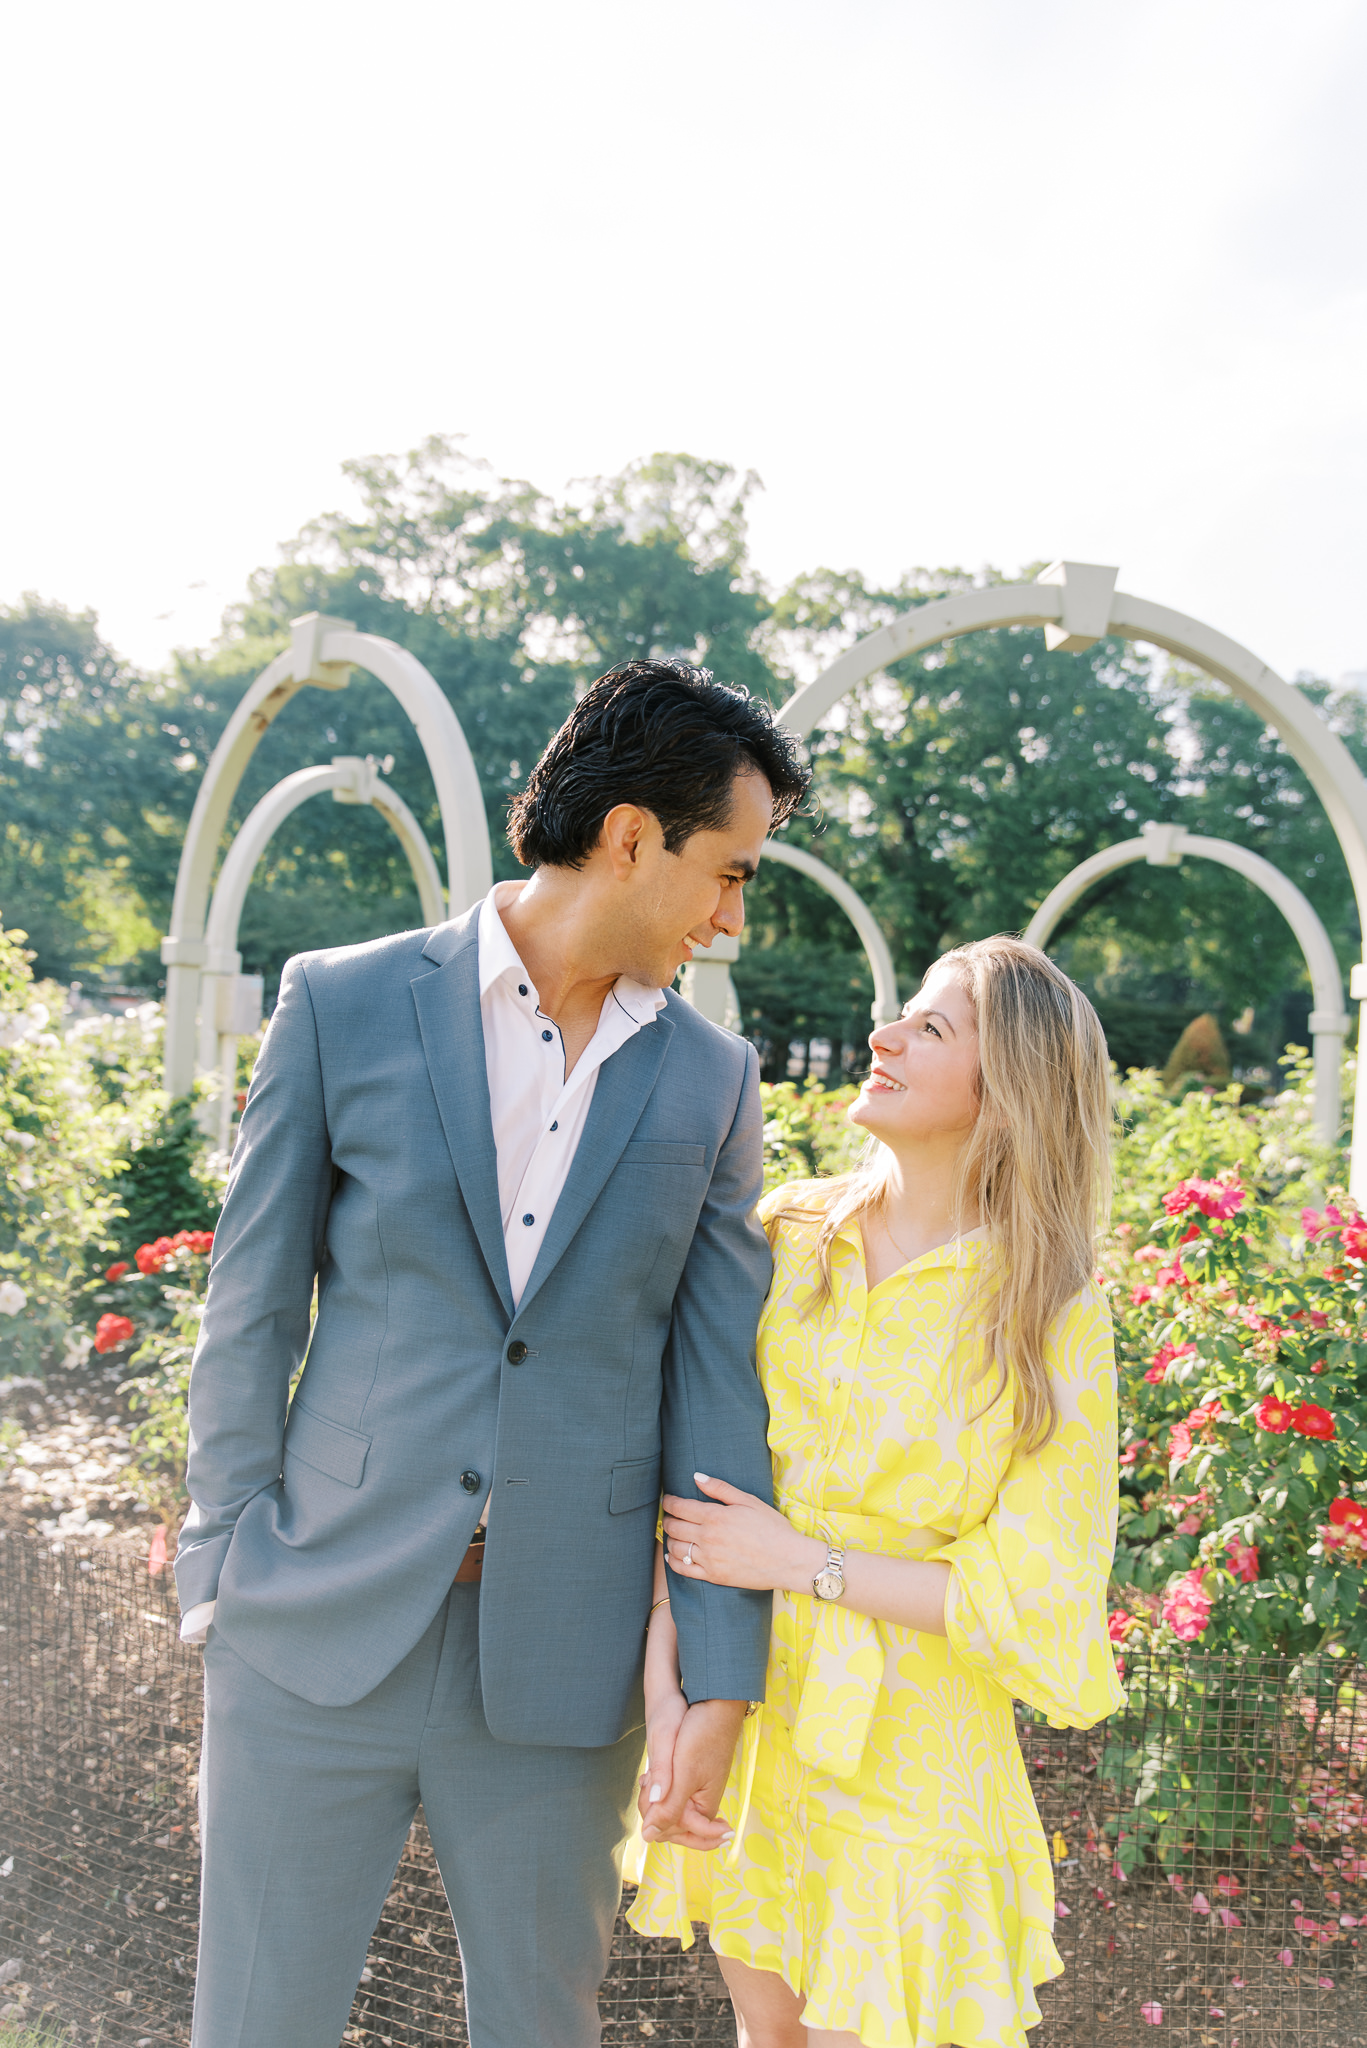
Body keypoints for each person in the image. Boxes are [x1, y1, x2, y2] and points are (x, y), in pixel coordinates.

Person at [174, 657, 809, 2048]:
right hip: (310, 1627)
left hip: (557, 1669)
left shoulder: (711, 1082)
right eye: (729, 872)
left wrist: (718, 1668)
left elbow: (715, 1390)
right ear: (630, 834)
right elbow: (250, 1304)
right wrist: (219, 1566)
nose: (729, 917)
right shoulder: (339, 1004)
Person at [628, 935, 1124, 2048]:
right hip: (757, 1713)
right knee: (766, 2032)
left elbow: (1035, 1587)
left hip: (915, 1750)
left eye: (930, 1026)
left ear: (1008, 1096)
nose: (880, 1035)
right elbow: (694, 1472)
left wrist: (804, 1562)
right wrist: (671, 1688)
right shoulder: (783, 1236)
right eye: (898, 1013)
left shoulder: (1049, 1309)